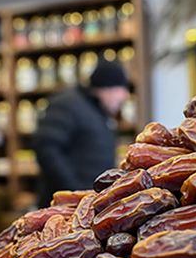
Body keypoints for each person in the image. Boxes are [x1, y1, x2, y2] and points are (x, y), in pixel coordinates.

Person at [33, 60, 131, 207]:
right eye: (121, 89)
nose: (125, 96)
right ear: (106, 88)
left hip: (87, 205)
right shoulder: (67, 105)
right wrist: (75, 190)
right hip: (63, 208)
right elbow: (46, 148)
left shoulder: (99, 113)